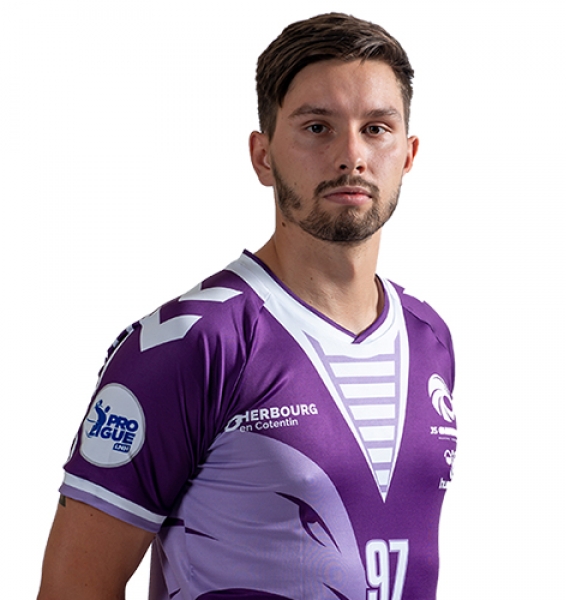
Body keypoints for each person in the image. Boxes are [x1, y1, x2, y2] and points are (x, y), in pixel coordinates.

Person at [37, 12, 456, 600]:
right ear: (263, 156)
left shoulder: (428, 337)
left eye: (376, 128)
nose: (352, 155)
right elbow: (71, 589)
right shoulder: (190, 344)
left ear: (408, 154)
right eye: (317, 127)